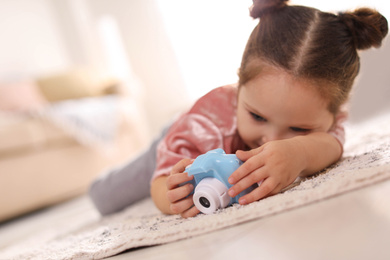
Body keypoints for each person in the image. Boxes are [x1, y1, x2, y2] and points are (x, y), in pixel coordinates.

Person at [89, 0, 388, 218]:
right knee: (109, 196)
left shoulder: (325, 118)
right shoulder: (205, 125)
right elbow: (161, 185)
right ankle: (98, 185)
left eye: (298, 129)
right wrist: (173, 194)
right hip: (185, 137)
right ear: (239, 87)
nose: (271, 139)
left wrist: (300, 152)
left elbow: (331, 145)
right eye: (257, 116)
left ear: (337, 113)